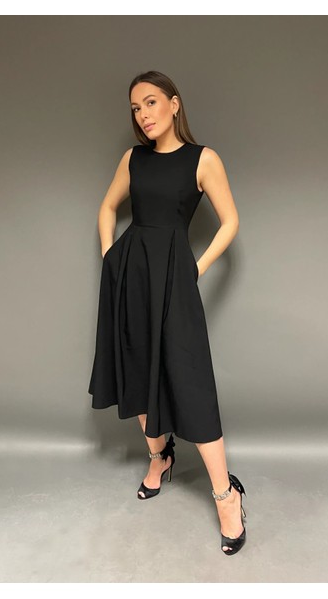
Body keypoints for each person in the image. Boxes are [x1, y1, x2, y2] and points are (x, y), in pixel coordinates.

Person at [88, 70, 246, 555]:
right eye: (136, 108)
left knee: (189, 378)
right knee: (138, 369)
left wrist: (196, 267)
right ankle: (160, 457)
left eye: (151, 102)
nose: (143, 114)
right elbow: (107, 208)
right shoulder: (132, 159)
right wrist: (111, 258)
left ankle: (226, 495)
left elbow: (230, 221)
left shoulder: (203, 159)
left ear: (174, 104)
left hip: (175, 276)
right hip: (131, 276)